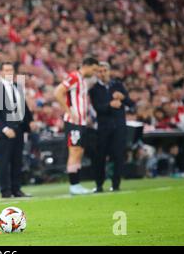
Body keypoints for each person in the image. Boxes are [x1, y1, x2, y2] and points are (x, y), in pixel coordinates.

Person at [54, 57, 100, 195]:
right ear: (86, 65)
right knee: (74, 151)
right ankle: (74, 185)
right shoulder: (74, 76)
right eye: (94, 69)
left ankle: (77, 184)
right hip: (73, 122)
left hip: (81, 122)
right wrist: (68, 111)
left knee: (79, 152)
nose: (94, 72)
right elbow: (58, 92)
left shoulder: (83, 80)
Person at [89, 62, 135, 192]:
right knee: (100, 157)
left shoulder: (118, 85)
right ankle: (99, 185)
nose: (102, 73)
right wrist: (110, 105)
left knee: (118, 156)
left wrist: (123, 97)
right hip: (103, 128)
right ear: (97, 73)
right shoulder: (94, 89)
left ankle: (116, 185)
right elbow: (97, 107)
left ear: (109, 71)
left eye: (104, 70)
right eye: (100, 71)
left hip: (119, 127)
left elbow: (131, 104)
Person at [0, 62, 33, 198]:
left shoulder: (18, 87)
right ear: (1, 72)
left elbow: (24, 107)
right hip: (6, 130)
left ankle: (16, 189)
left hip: (19, 128)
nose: (9, 72)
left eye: (11, 69)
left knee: (17, 160)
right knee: (5, 161)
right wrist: (4, 128)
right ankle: (5, 190)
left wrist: (29, 122)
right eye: (6, 70)